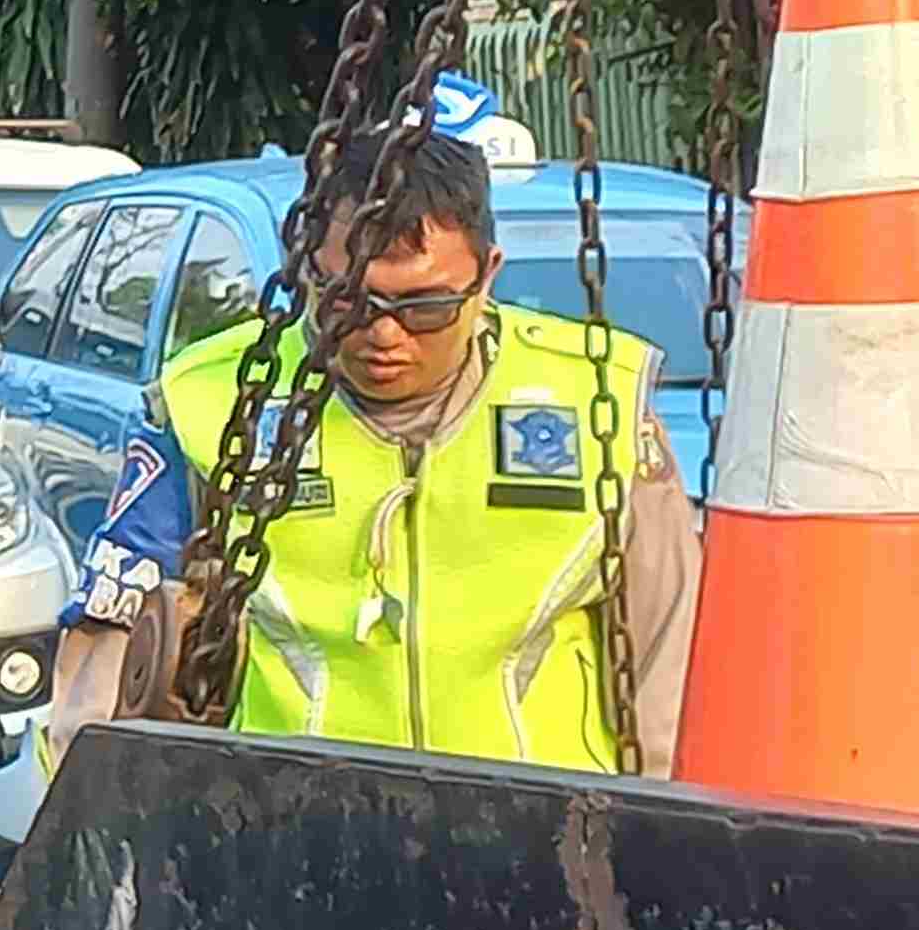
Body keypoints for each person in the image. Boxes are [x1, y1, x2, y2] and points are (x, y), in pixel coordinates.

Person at [49, 135, 700, 770]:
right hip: (285, 845)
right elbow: (107, 658)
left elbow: (672, 658)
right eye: (349, 302)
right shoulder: (212, 403)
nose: (383, 335)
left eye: (425, 306)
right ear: (307, 270)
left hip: (539, 849)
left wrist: (656, 854)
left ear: (487, 274)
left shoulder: (594, 398)